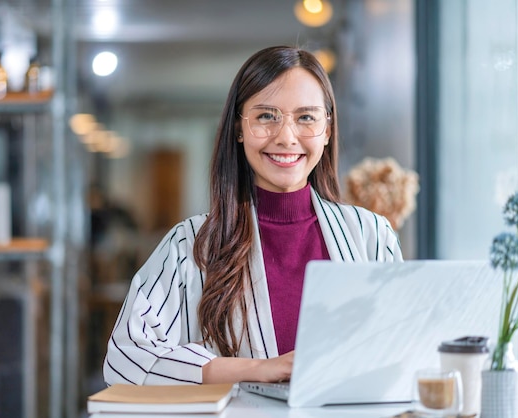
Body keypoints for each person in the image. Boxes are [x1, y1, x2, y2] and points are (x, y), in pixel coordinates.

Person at [103, 45, 403, 387]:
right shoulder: (191, 243)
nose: (286, 137)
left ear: (328, 130)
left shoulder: (371, 236)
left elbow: (401, 351)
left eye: (306, 117)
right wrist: (252, 370)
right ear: (239, 128)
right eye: (266, 116)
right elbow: (124, 358)